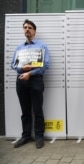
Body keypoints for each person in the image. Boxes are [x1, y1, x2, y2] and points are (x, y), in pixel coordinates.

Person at [10, 19, 50, 149]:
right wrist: (23, 70)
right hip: (21, 80)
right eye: (25, 27)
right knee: (25, 110)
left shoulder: (41, 46)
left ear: (34, 31)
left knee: (37, 110)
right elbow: (13, 65)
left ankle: (39, 137)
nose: (27, 29)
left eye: (30, 27)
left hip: (36, 80)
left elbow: (45, 65)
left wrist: (30, 73)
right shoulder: (19, 48)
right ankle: (25, 136)